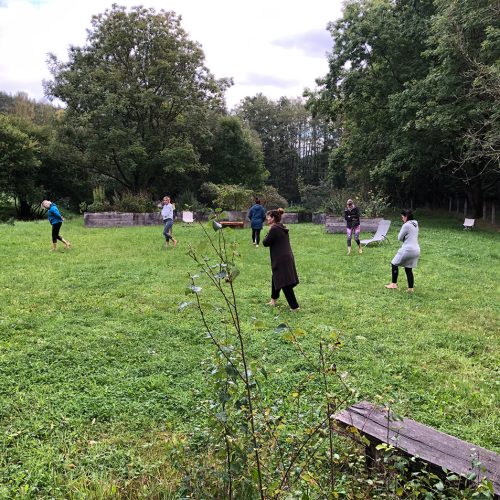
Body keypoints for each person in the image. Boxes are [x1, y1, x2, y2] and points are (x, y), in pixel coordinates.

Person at [262, 208, 300, 310]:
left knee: (284, 282)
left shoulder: (274, 229)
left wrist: (269, 230)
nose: (267, 218)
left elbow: (265, 242)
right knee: (276, 277)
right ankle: (273, 300)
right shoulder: (281, 227)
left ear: (273, 218)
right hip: (286, 257)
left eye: (268, 217)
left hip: (281, 259)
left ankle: (295, 307)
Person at [385, 209, 420, 292]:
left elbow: (399, 238)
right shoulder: (415, 223)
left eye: (402, 217)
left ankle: (393, 284)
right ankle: (410, 289)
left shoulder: (406, 225)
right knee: (408, 268)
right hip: (416, 250)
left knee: (394, 263)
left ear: (406, 217)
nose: (402, 219)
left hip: (408, 249)